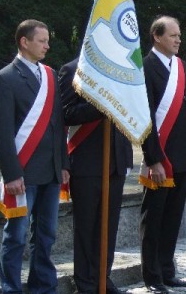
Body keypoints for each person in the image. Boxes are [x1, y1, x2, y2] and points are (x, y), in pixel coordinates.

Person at [0, 19, 70, 293]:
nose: (47, 46)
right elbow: (1, 133)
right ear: (24, 42)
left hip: (51, 171)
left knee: (47, 235)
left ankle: (43, 287)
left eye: (48, 41)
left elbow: (59, 125)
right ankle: (10, 288)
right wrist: (11, 175)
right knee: (16, 237)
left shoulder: (50, 75)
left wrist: (63, 164)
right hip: (23, 173)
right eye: (42, 41)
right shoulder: (4, 79)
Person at [139, 15, 186, 294]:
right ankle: (152, 276)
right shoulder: (145, 67)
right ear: (157, 36)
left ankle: (167, 270)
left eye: (179, 35)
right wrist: (153, 159)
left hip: (183, 155)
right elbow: (145, 117)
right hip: (160, 158)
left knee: (173, 217)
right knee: (154, 218)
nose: (178, 40)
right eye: (173, 35)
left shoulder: (180, 66)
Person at [58, 57, 133, 294]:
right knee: (86, 226)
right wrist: (101, 105)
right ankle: (86, 283)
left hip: (116, 160)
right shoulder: (72, 70)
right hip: (87, 162)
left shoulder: (121, 71)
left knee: (109, 227)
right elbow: (65, 113)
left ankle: (103, 277)